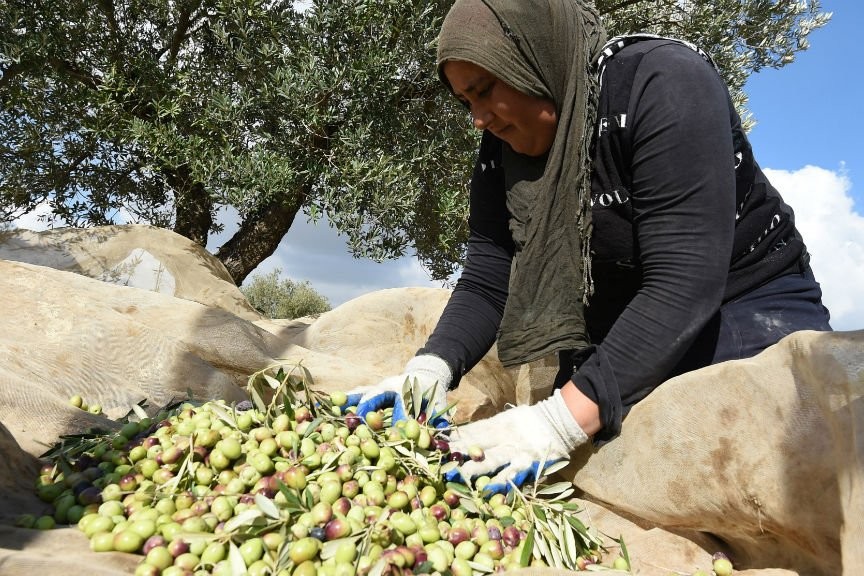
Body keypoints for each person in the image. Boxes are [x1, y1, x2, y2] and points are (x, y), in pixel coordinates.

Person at [351, 0, 833, 493]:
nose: (478, 119)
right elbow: (488, 279)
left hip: (742, 304)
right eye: (465, 102)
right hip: (624, 322)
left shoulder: (662, 84)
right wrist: (428, 371)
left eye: (485, 91)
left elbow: (684, 279)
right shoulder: (504, 153)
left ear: (532, 58)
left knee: (740, 453)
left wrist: (557, 422)